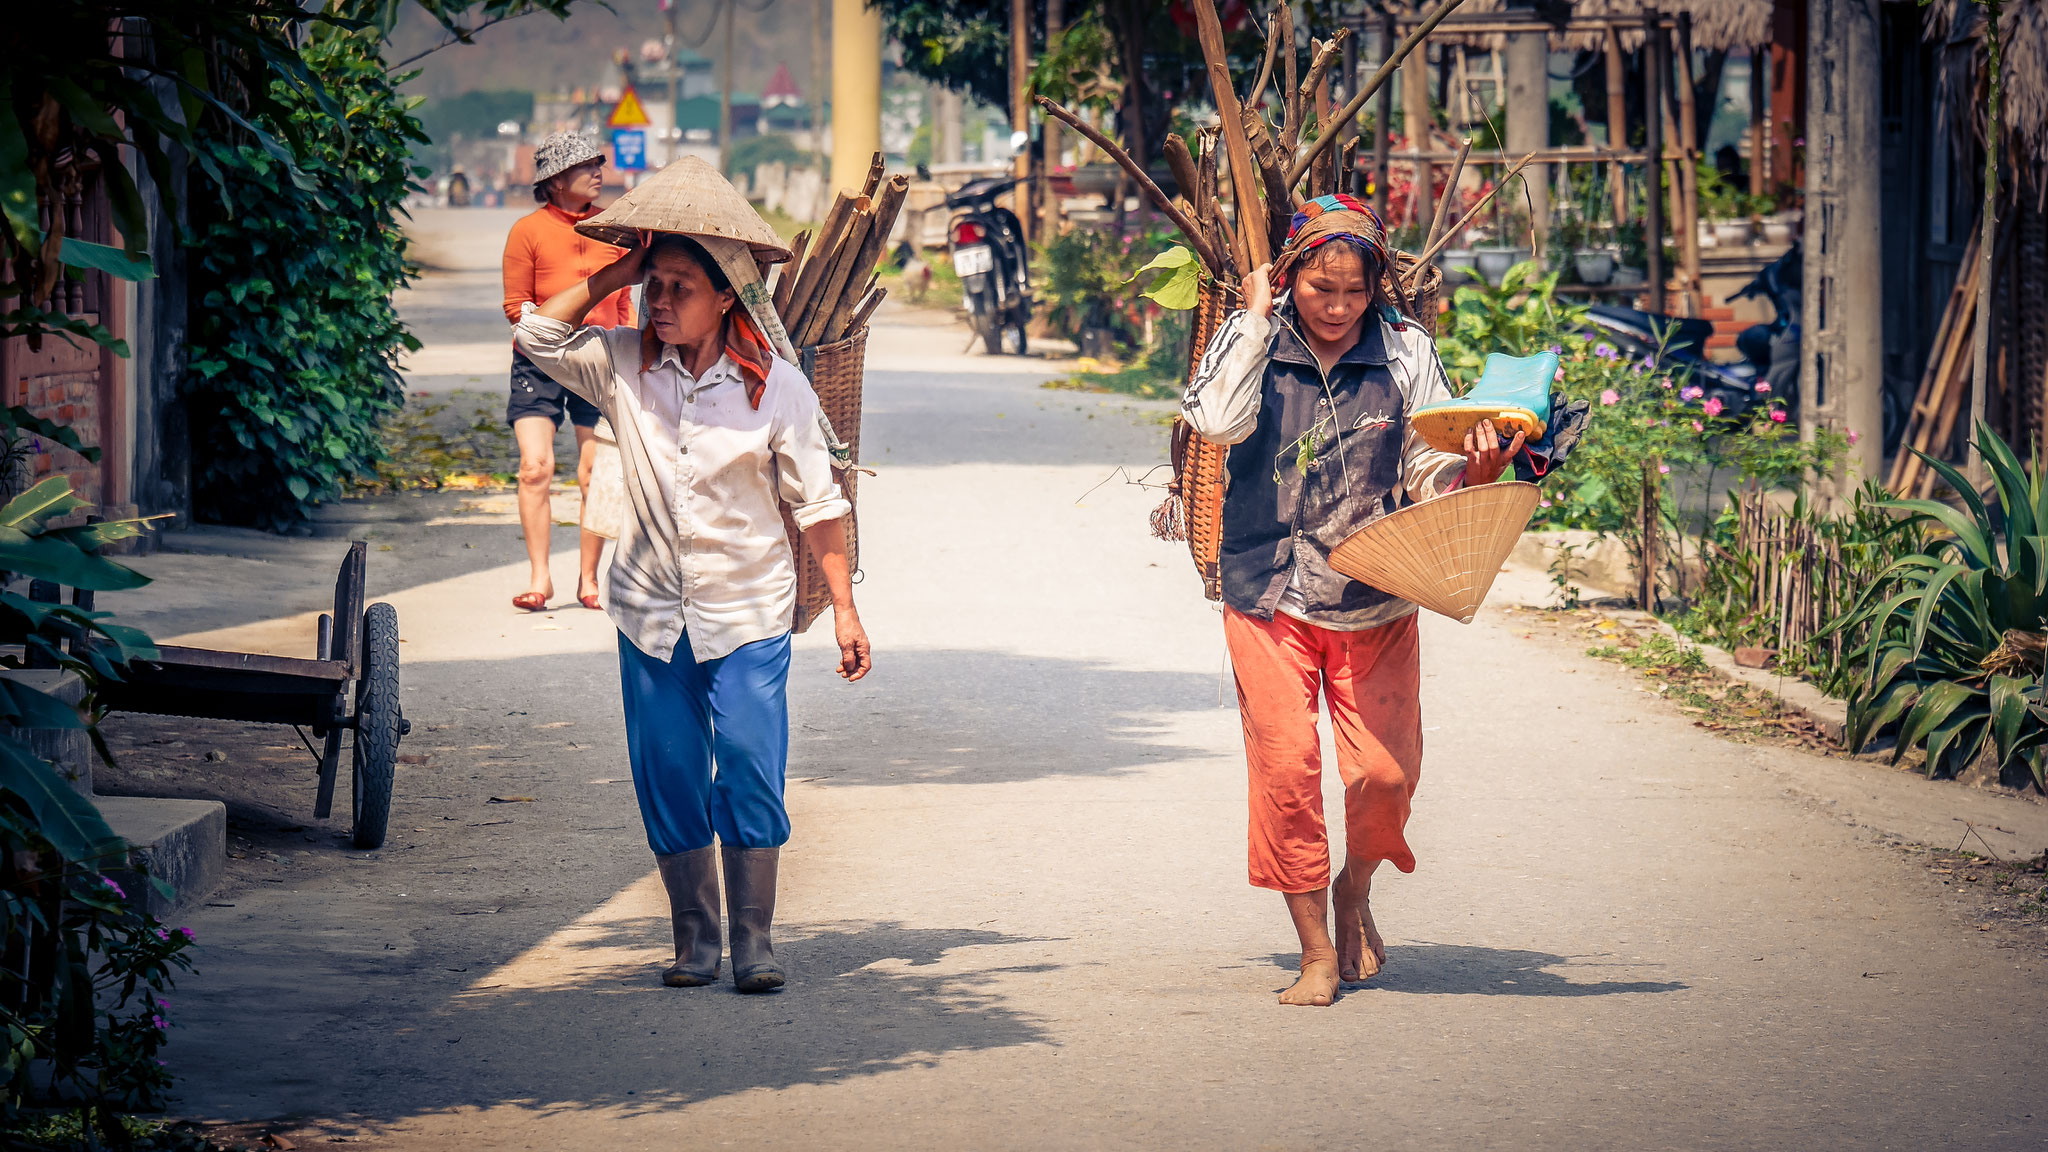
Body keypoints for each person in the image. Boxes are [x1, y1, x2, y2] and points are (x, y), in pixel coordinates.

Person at [1181, 194, 1522, 1007]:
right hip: (1268, 593)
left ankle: (1355, 887)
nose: (1336, 309)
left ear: (1377, 289)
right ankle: (1315, 954)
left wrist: (1476, 468)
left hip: (1375, 597)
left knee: (1385, 775)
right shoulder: (1256, 339)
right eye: (1318, 289)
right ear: (1290, 276)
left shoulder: (1406, 353)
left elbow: (1427, 472)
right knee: (1288, 771)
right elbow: (1217, 424)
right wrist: (1257, 319)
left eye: (1353, 292)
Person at [515, 225, 871, 994]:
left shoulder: (776, 386)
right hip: (649, 611)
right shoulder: (620, 365)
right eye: (657, 284)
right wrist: (624, 268)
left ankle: (753, 941)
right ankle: (696, 940)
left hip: (745, 610)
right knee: (670, 774)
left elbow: (819, 505)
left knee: (748, 766)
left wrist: (845, 609)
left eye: (681, 287)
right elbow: (537, 333)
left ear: (724, 299)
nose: (661, 300)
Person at [501, 131, 633, 612]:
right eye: (585, 165)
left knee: (594, 472)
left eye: (599, 162)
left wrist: (633, 350)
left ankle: (588, 578)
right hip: (538, 361)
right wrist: (550, 336)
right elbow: (516, 307)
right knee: (535, 468)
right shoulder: (527, 231)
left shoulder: (614, 230)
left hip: (599, 357)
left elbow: (625, 305)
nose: (599, 171)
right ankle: (540, 578)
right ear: (555, 181)